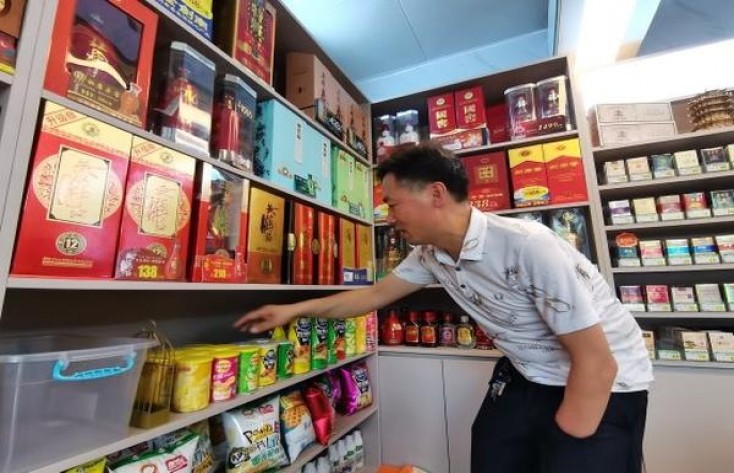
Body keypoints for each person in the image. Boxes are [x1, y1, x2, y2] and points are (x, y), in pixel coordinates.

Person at [234, 142, 653, 473]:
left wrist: (565, 441)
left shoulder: (527, 246)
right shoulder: (430, 254)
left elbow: (597, 364)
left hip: (604, 379)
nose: (388, 217)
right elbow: (371, 297)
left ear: (436, 193)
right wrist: (294, 311)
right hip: (527, 373)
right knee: (493, 454)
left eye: (393, 204)